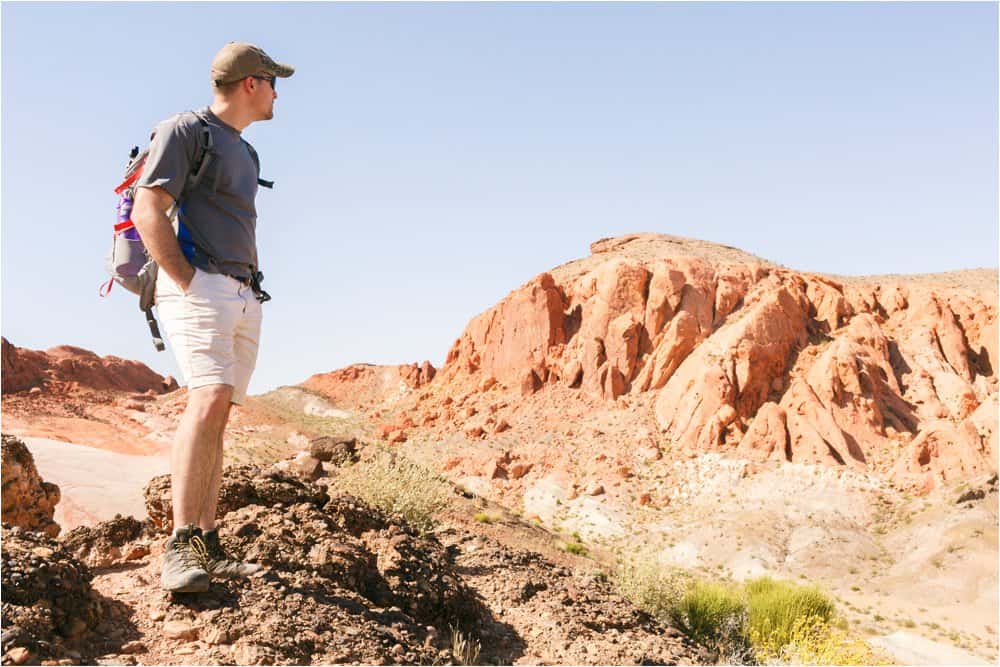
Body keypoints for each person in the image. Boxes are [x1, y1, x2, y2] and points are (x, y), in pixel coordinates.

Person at [131, 42, 294, 593]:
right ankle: (180, 548)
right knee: (206, 397)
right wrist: (186, 280)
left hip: (244, 292)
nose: (278, 92)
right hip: (199, 286)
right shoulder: (184, 129)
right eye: (274, 81)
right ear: (252, 82)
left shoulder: (244, 151)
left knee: (219, 410)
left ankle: (206, 542)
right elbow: (146, 207)